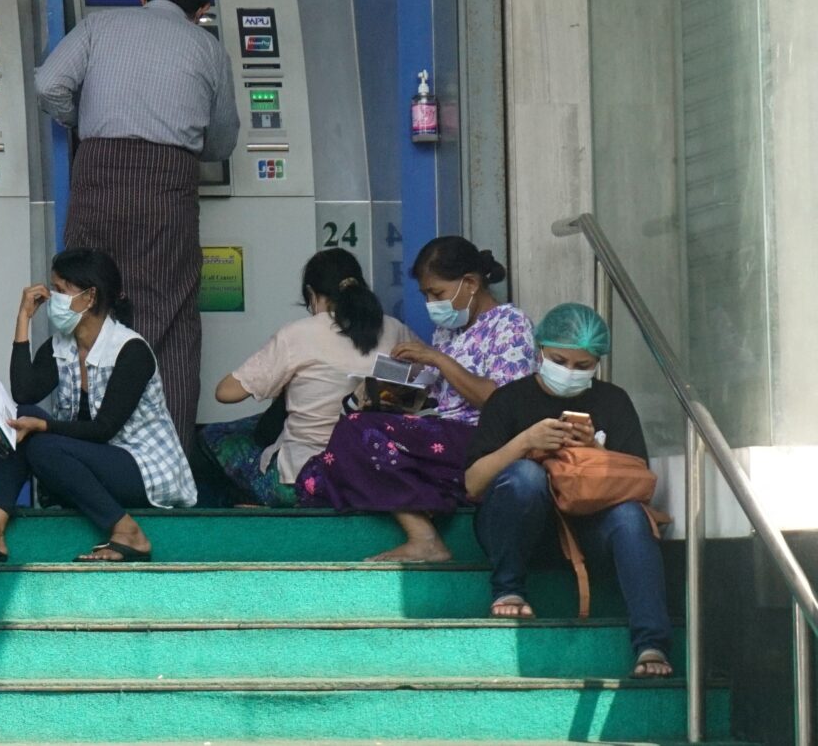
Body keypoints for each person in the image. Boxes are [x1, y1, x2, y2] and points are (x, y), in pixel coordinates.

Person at [33, 0, 239, 423]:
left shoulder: (99, 26)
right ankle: (166, 466)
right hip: (168, 190)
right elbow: (222, 141)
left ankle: (84, 446)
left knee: (86, 304)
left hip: (97, 179)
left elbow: (48, 86)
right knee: (169, 315)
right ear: (202, 10)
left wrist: (81, 123)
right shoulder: (208, 48)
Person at [0, 247, 196, 566]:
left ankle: (129, 533)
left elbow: (104, 430)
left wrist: (45, 427)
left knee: (41, 443)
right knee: (22, 419)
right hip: (88, 463)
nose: (53, 298)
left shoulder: (131, 351)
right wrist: (22, 320)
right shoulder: (62, 346)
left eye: (61, 290)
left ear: (89, 297)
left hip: (143, 469)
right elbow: (25, 392)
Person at [464, 302, 672, 680]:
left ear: (597, 364)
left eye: (583, 366)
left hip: (587, 530)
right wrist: (525, 442)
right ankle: (508, 589)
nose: (570, 373)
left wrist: (595, 450)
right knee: (525, 476)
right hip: (521, 527)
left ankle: (651, 643)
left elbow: (637, 481)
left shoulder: (613, 401)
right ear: (540, 350)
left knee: (630, 517)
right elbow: (474, 484)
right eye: (560, 361)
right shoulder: (508, 399)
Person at [298, 234, 535, 561]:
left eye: (436, 293)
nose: (431, 304)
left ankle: (425, 539)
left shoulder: (510, 323)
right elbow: (438, 396)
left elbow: (503, 403)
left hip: (483, 440)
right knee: (315, 477)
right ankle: (429, 499)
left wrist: (438, 360)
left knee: (354, 433)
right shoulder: (448, 332)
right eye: (425, 295)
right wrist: (389, 396)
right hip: (440, 433)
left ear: (470, 283)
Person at [205, 248, 415, 506]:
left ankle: (249, 508)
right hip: (374, 469)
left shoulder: (298, 334)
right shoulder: (395, 329)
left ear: (312, 295)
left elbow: (226, 393)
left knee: (213, 437)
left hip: (304, 477)